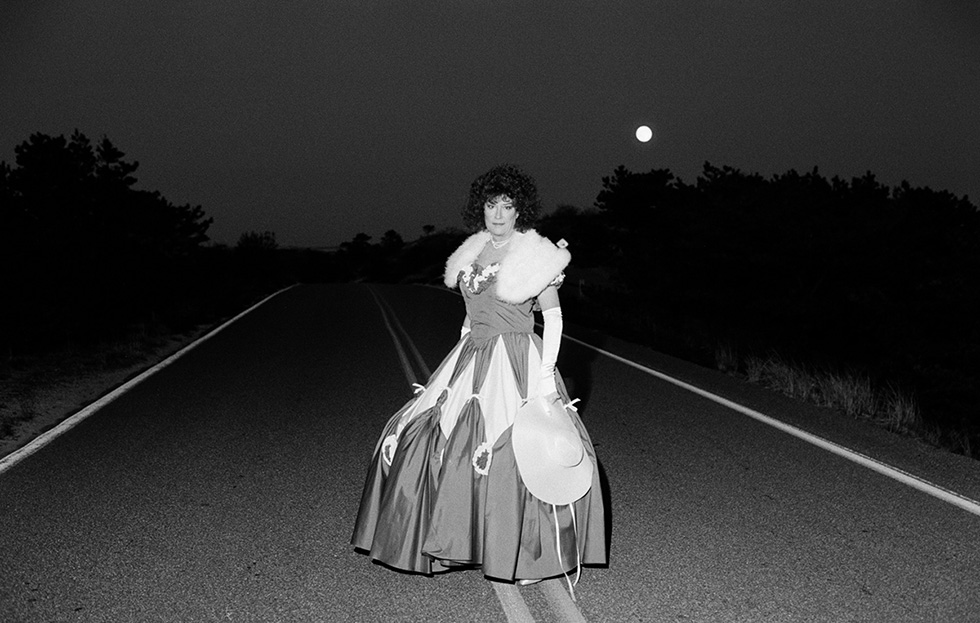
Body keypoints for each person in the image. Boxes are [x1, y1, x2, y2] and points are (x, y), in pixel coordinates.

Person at [351, 164, 606, 591]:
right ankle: (456, 540)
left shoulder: (535, 253)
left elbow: (555, 319)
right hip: (473, 355)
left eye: (508, 206)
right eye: (491, 205)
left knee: (519, 451)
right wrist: (457, 357)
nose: (499, 214)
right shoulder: (472, 250)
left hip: (517, 357)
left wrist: (545, 376)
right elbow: (471, 317)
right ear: (480, 209)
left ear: (519, 209)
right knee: (437, 438)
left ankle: (527, 556)